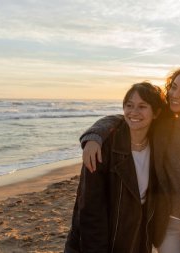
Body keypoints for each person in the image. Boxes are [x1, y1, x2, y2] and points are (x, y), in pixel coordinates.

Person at [80, 66, 180, 253]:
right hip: (169, 224)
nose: (175, 94)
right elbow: (128, 117)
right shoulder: (161, 125)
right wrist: (94, 136)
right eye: (173, 87)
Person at [64, 82, 166, 253]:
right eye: (129, 105)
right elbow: (90, 209)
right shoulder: (101, 148)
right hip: (103, 239)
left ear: (156, 113)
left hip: (138, 237)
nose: (134, 112)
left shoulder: (158, 146)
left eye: (142, 106)